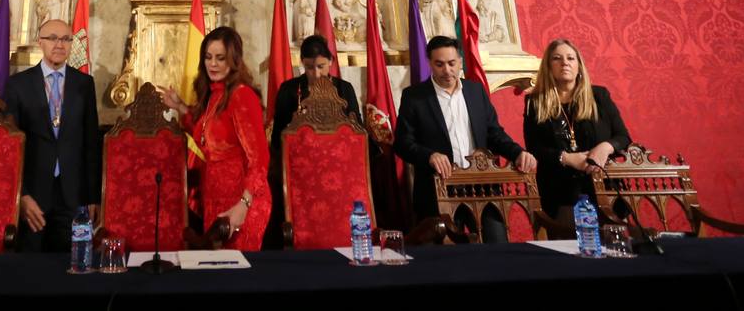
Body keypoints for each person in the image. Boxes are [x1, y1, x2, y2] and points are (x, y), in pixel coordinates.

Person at [394, 35, 537, 242]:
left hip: (481, 187)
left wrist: (517, 153)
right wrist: (430, 156)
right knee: (445, 262)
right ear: (429, 64)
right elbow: (402, 143)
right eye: (439, 64)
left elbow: (494, 134)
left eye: (452, 63)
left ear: (460, 61)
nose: (447, 70)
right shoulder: (414, 96)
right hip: (437, 190)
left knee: (497, 247)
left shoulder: (475, 91)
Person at [162, 26, 270, 250]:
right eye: (208, 57)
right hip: (214, 194)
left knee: (236, 275)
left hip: (243, 199)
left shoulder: (242, 95)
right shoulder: (213, 94)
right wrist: (180, 106)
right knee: (217, 272)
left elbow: (259, 158)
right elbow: (205, 137)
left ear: (233, 60)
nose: (213, 64)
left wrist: (244, 203)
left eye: (220, 58)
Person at [3, 18, 102, 251]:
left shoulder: (84, 84)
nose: (60, 44)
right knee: (30, 270)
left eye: (66, 39)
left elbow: (91, 144)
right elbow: (11, 148)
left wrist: (92, 196)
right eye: (53, 38)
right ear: (40, 42)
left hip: (74, 195)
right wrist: (21, 196)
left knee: (72, 268)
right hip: (33, 197)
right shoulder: (18, 85)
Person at [264, 34, 362, 248]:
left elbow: (358, 134)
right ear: (302, 63)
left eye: (321, 67)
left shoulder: (345, 89)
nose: (316, 74)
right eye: (309, 68)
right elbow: (279, 136)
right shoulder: (289, 90)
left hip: (338, 170)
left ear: (331, 63)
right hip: (300, 171)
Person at [523, 38, 631, 219]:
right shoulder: (535, 102)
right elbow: (534, 148)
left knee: (613, 243)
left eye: (570, 58)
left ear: (579, 66)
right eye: (557, 58)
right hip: (559, 189)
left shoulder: (600, 96)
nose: (564, 62)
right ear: (549, 67)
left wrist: (605, 148)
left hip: (604, 186)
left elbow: (623, 137)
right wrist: (566, 158)